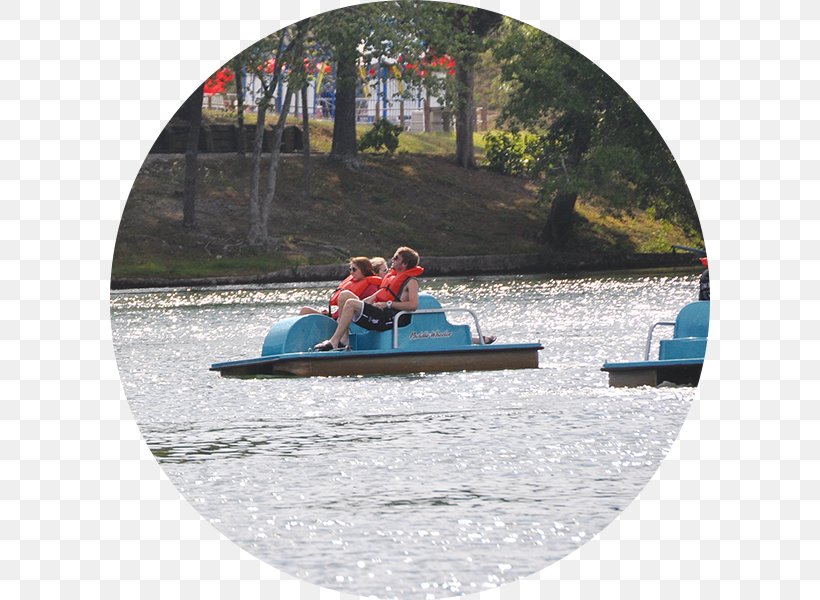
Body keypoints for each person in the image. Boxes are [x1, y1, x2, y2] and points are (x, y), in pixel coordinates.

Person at [314, 247, 423, 351]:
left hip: (390, 319)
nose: (392, 260)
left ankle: (333, 342)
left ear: (404, 264)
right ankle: (344, 339)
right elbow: (376, 295)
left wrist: (388, 304)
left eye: (396, 258)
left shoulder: (411, 281)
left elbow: (413, 305)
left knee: (351, 303)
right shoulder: (391, 277)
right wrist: (363, 303)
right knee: (345, 295)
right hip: (379, 312)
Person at [299, 257, 382, 319]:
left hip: (346, 320)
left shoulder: (371, 287)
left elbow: (365, 309)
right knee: (305, 310)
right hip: (335, 315)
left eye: (354, 269)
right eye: (350, 269)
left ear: (364, 269)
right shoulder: (354, 283)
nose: (351, 272)